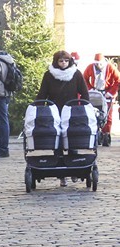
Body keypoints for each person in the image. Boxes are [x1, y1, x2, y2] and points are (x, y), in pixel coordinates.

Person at [36, 50, 89, 186]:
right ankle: (61, 175)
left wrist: (83, 108)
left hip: (72, 112)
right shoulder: (49, 75)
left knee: (73, 139)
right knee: (57, 141)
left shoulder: (76, 74)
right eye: (61, 61)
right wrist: (38, 108)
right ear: (56, 62)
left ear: (69, 61)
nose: (63, 63)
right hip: (55, 111)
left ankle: (75, 169)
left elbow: (84, 92)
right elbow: (43, 93)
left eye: (66, 61)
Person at [83, 53, 120, 146]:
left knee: (108, 114)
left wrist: (111, 92)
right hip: (95, 92)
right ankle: (96, 131)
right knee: (95, 112)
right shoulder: (90, 67)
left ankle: (106, 133)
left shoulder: (110, 67)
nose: (98, 65)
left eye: (100, 64)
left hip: (108, 93)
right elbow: (84, 78)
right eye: (97, 63)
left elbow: (118, 80)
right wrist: (90, 89)